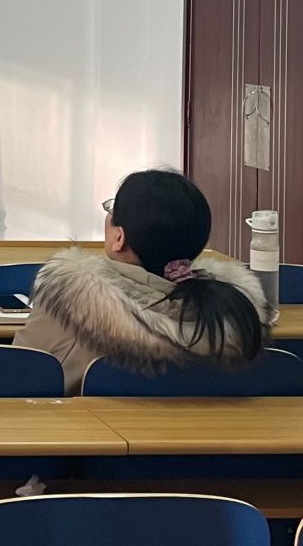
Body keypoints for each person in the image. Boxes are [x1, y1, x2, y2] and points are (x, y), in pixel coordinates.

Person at [14, 168, 272, 393]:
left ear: (119, 238)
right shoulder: (239, 317)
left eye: (112, 210)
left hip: (93, 434)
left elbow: (20, 378)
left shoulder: (69, 305)